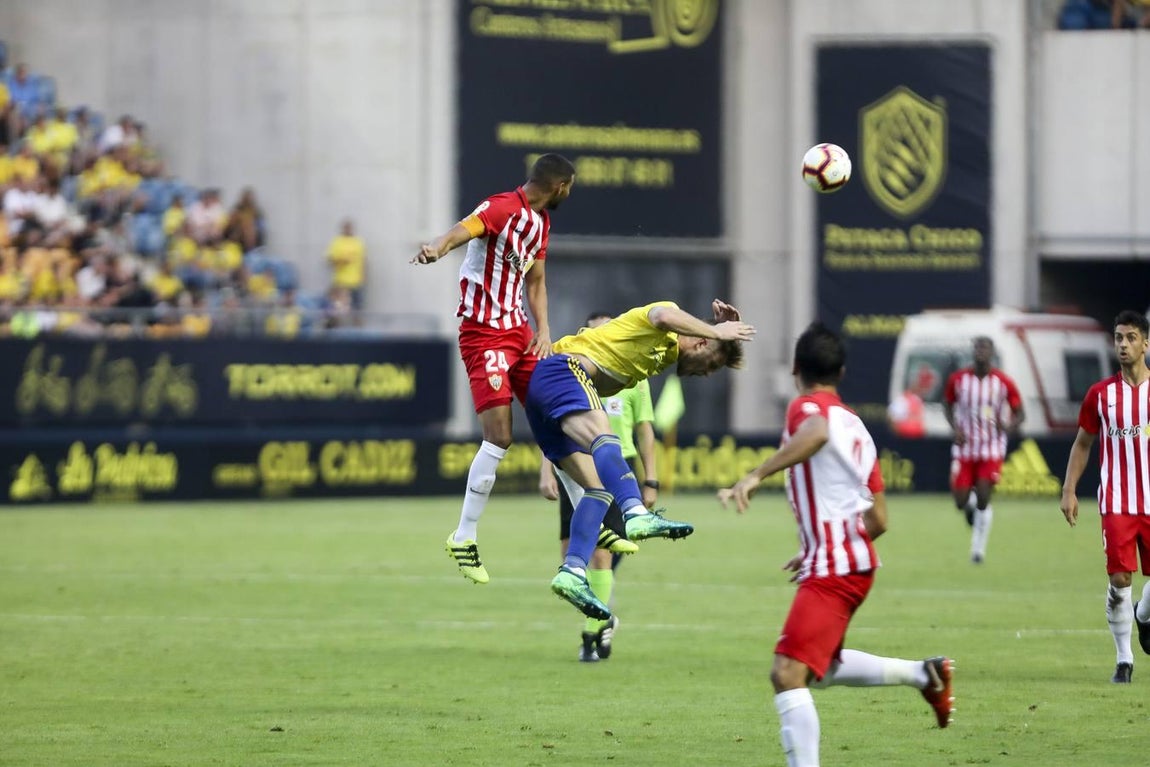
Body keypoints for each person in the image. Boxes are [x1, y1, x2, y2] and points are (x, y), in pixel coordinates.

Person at [717, 322, 954, 767]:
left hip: (835, 569)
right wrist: (821, 542)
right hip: (852, 563)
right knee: (818, 670)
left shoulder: (806, 409)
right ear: (842, 372)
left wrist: (755, 475)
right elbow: (879, 518)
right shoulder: (859, 427)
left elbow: (816, 433)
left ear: (795, 369)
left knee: (787, 674)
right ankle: (923, 673)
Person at [528, 299, 755, 618]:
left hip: (542, 392)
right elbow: (664, 316)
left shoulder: (661, 356)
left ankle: (573, 572)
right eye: (713, 364)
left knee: (597, 492)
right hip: (564, 370)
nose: (707, 373)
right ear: (703, 341)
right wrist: (716, 329)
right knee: (605, 439)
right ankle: (636, 513)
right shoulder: (664, 317)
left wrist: (718, 331)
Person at [413, 153, 574, 585]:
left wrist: (544, 331)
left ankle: (597, 513)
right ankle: (463, 536)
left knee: (556, 416)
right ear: (560, 186)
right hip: (483, 334)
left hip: (520, 333)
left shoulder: (540, 224)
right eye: (569, 188)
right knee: (499, 436)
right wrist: (437, 248)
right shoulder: (502, 207)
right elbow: (462, 231)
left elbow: (536, 281)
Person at [538, 311, 659, 662]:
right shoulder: (571, 376)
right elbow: (554, 425)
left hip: (615, 471)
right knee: (570, 558)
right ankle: (603, 615)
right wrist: (547, 471)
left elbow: (645, 431)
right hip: (575, 468)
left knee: (600, 554)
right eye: (593, 333)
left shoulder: (634, 376)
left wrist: (650, 480)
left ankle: (594, 633)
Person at [1060, 309, 1150, 685]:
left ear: (1146, 343)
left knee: (1141, 596)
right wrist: (1068, 490)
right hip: (1117, 502)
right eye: (1118, 338)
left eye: (1130, 338)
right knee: (1119, 579)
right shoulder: (1101, 395)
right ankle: (1124, 661)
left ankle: (1143, 615)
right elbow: (1083, 444)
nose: (1123, 345)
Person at [943, 336, 1024, 563]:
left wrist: (1008, 426)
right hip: (965, 447)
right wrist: (954, 428)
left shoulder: (1003, 382)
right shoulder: (958, 380)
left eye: (985, 348)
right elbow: (947, 404)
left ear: (991, 353)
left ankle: (977, 550)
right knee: (960, 501)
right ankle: (969, 506)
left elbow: (1020, 413)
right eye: (977, 347)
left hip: (991, 448)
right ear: (973, 352)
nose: (980, 351)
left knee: (984, 497)